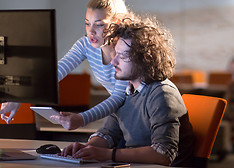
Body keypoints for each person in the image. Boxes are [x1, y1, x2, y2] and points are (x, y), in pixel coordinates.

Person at [61, 15, 195, 167]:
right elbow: (108, 134)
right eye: (115, 54)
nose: (113, 61)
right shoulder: (126, 91)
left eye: (122, 56)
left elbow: (163, 153)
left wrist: (108, 154)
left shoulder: (162, 94)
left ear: (145, 59)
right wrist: (88, 148)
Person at [0, 0, 129, 130]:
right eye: (87, 23)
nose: (91, 31)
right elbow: (57, 71)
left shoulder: (127, 48)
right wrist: (20, 98)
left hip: (141, 112)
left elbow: (119, 96)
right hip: (119, 114)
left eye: (99, 25)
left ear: (118, 23)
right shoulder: (85, 44)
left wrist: (82, 118)